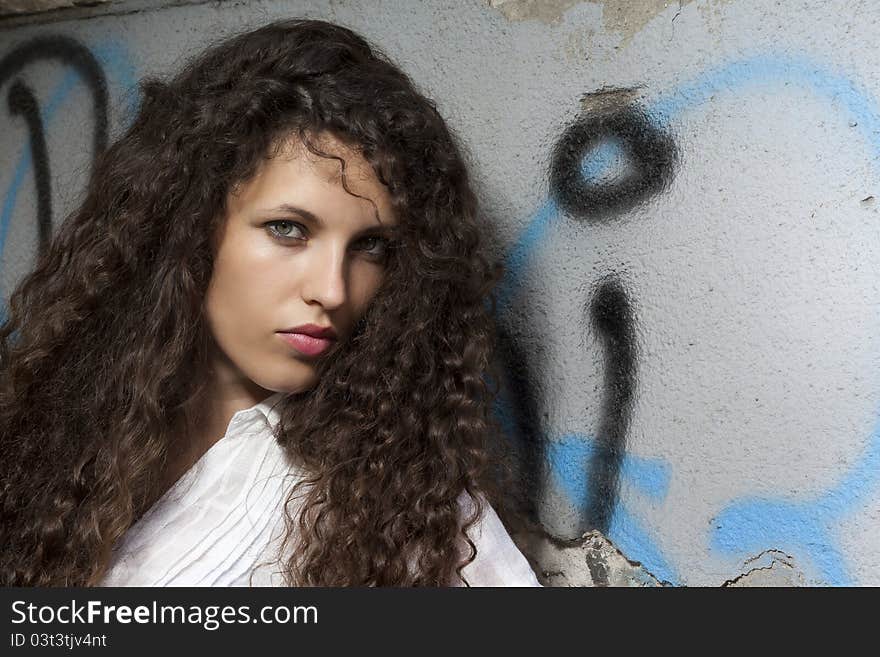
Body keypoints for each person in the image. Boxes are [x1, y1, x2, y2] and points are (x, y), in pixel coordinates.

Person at [0, 19, 541, 587]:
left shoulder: (408, 501)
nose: (332, 290)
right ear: (190, 228)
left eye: (372, 246)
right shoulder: (54, 437)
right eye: (288, 229)